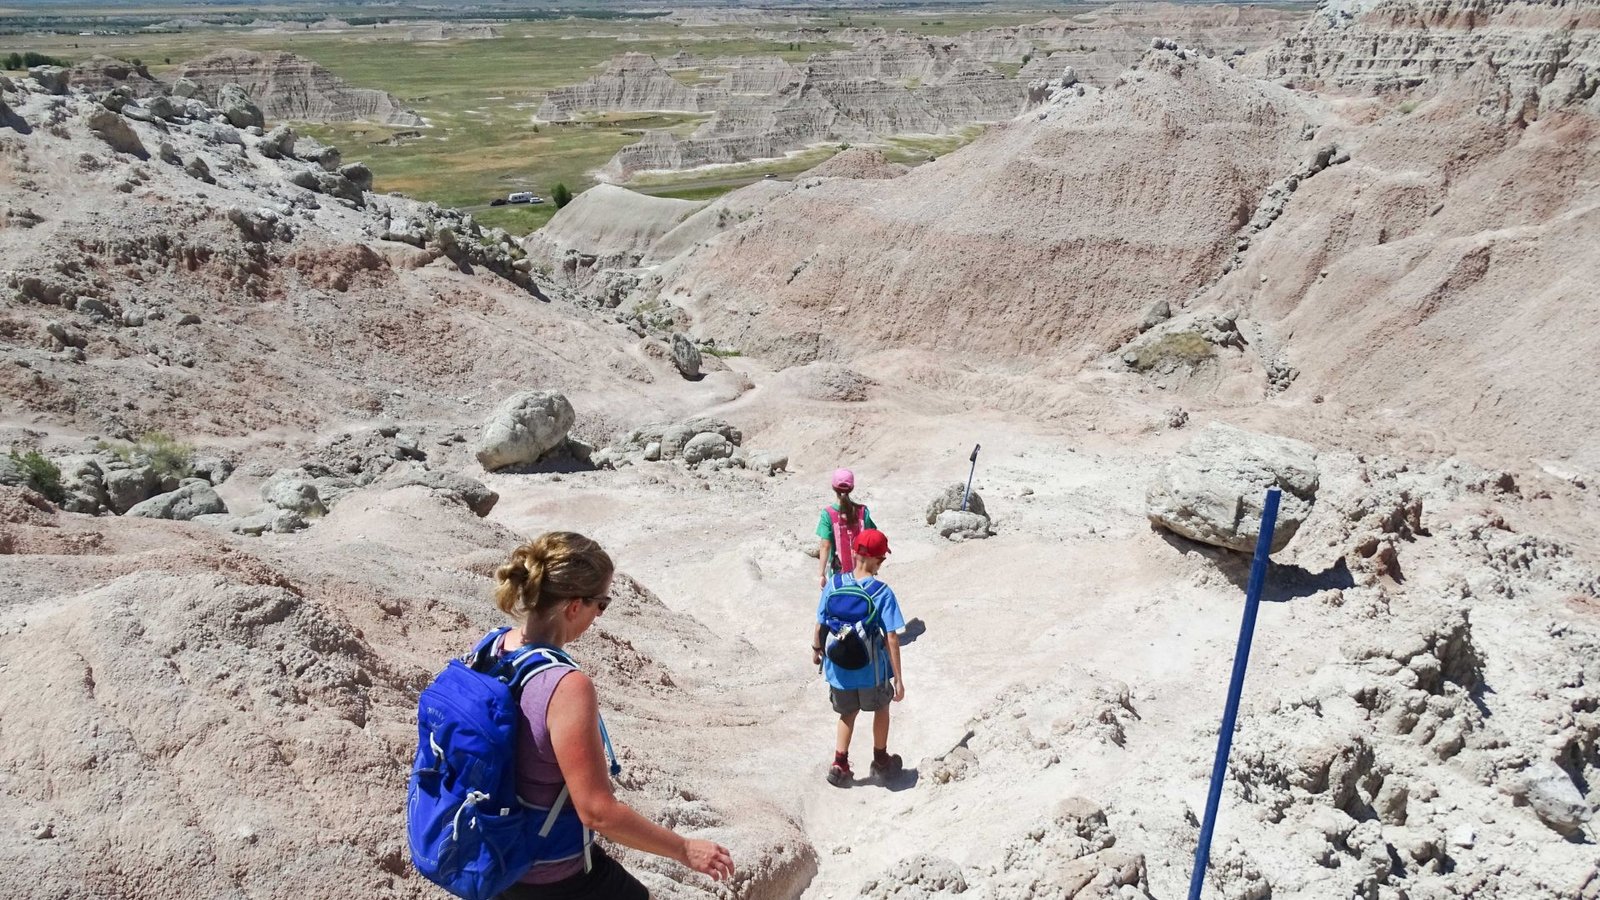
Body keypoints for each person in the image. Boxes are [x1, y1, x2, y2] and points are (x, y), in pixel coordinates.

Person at [491, 531, 734, 898]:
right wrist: (685, 849)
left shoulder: (494, 646)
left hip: (496, 854)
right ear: (575, 606)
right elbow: (598, 813)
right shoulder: (566, 685)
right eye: (601, 604)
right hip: (550, 874)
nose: (600, 615)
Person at [812, 528, 906, 787]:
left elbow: (820, 624)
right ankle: (881, 760)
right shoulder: (881, 592)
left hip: (838, 669)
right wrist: (898, 679)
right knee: (881, 707)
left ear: (853, 554)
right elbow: (892, 637)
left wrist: (815, 650)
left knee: (847, 713)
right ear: (879, 560)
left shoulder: (834, 584)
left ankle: (839, 764)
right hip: (871, 671)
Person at [816, 468, 879, 587]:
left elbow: (825, 545)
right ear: (852, 488)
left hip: (840, 573)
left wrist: (821, 574)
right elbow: (872, 536)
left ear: (833, 487)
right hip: (863, 571)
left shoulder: (828, 514)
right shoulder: (862, 512)